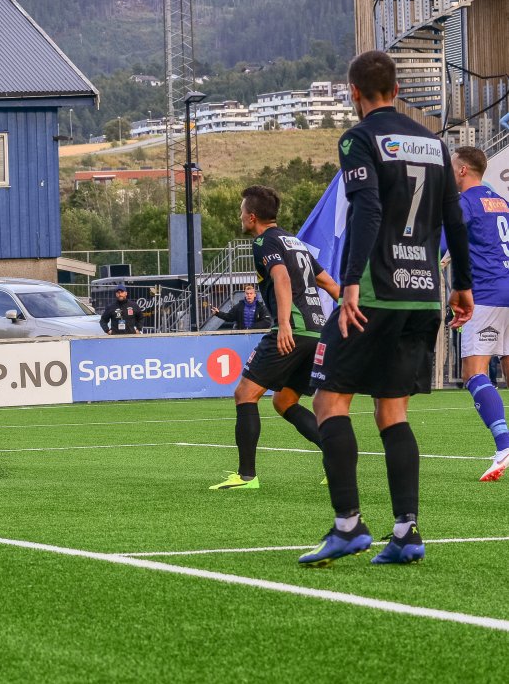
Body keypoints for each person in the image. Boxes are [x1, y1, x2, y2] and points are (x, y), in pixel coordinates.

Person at [299, 50, 473, 567]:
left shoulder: (358, 138)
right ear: (396, 90)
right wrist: (462, 285)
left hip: (374, 292)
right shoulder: (436, 144)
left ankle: (348, 525)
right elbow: (453, 218)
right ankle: (406, 532)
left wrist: (350, 281)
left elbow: (368, 207)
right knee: (392, 411)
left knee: (329, 402)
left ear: (354, 93)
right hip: (423, 294)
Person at [210, 186, 340, 490]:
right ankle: (337, 459)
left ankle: (246, 477)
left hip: (293, 330)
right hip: (317, 332)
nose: (240, 216)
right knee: (284, 401)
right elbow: (329, 283)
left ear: (252, 216)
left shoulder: (263, 241)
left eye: (241, 211)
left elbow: (280, 277)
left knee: (245, 394)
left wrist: (283, 325)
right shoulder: (295, 243)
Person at [451, 146, 509, 482]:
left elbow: (445, 246)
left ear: (462, 170)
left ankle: (504, 446)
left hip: (485, 294)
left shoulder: (464, 203)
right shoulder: (502, 202)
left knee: (474, 372)